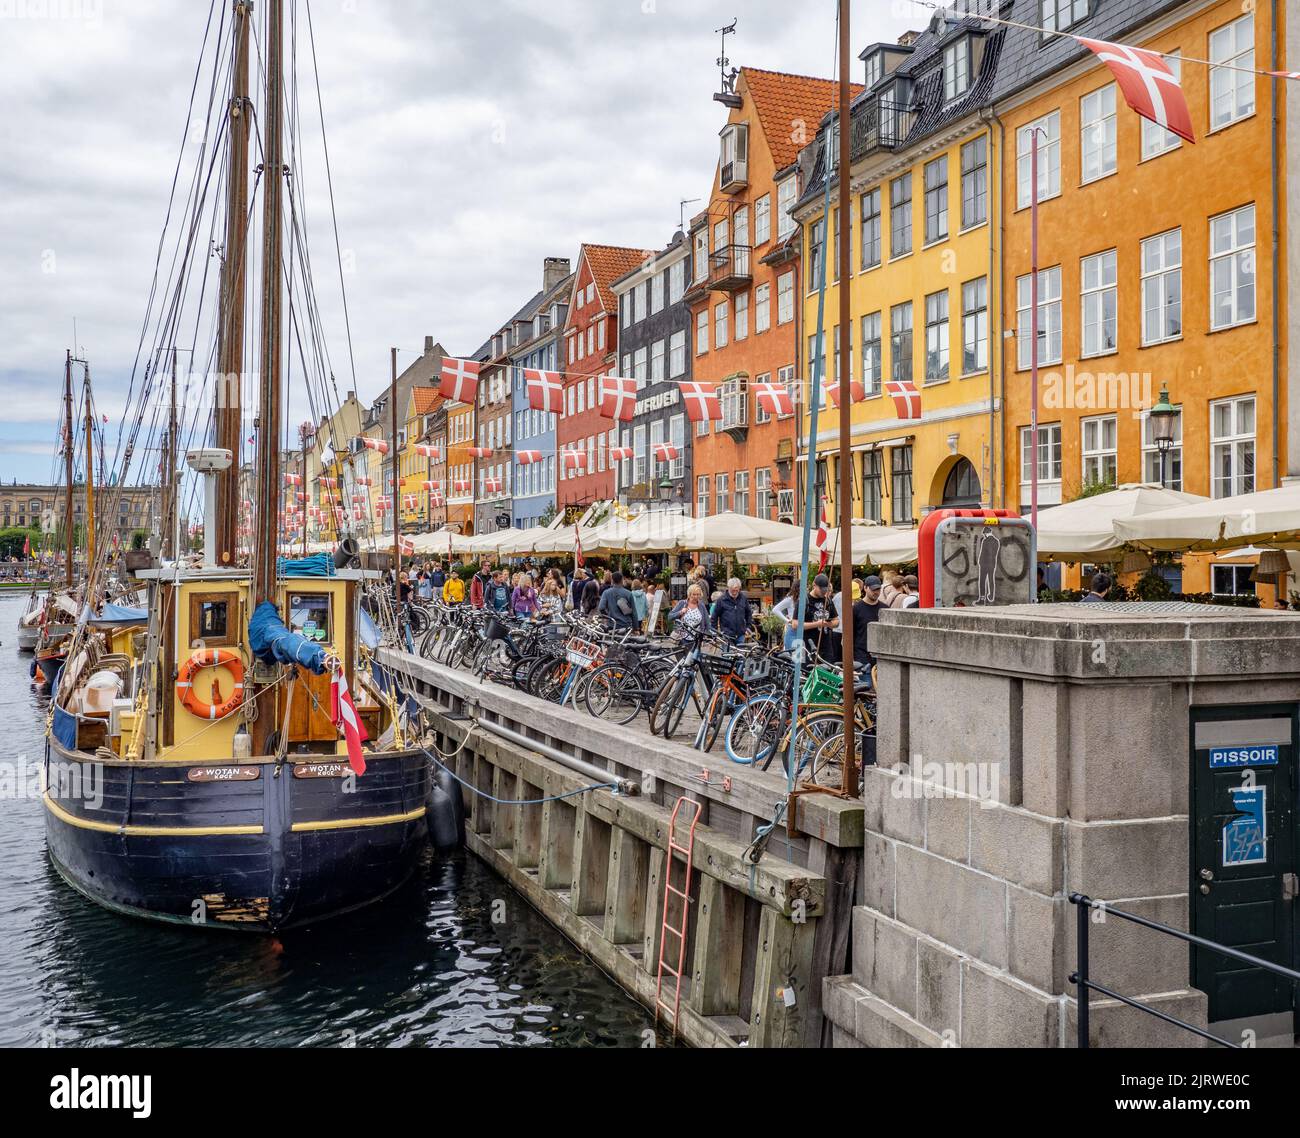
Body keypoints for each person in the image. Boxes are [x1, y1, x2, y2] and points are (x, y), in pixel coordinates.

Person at [802, 574, 839, 662]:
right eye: (821, 590)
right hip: (808, 646)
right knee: (809, 672)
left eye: (825, 590)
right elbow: (796, 625)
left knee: (828, 672)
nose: (823, 593)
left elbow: (836, 620)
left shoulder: (828, 600)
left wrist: (830, 624)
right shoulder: (804, 600)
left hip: (826, 646)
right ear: (814, 585)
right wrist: (817, 624)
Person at [853, 576, 886, 676]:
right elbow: (850, 635)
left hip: (881, 657)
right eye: (873, 589)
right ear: (865, 588)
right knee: (865, 688)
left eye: (878, 589)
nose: (876, 592)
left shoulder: (885, 609)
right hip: (862, 656)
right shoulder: (856, 609)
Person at [713, 578, 754, 643]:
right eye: (732, 590)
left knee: (740, 653)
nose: (734, 592)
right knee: (727, 653)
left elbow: (748, 613)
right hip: (727, 635)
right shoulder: (721, 600)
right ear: (728, 588)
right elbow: (714, 616)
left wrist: (748, 627)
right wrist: (715, 633)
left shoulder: (743, 598)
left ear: (739, 588)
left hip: (740, 634)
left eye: (736, 590)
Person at [772, 581, 803, 653]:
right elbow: (775, 610)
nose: (807, 589)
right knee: (792, 658)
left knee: (800, 659)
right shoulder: (790, 599)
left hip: (803, 630)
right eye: (805, 587)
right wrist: (788, 621)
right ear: (798, 588)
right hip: (792, 631)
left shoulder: (805, 600)